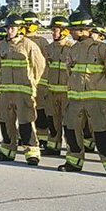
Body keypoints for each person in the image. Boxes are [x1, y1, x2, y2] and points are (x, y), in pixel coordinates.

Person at [61, 11, 106, 176]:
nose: (70, 32)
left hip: (98, 101)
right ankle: (73, 162)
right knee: (71, 131)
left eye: (73, 29)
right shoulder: (73, 50)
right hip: (75, 101)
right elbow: (70, 72)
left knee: (103, 132)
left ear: (82, 29)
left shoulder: (101, 48)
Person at [0, 15, 47, 165]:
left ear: (20, 29)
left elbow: (39, 66)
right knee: (6, 121)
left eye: (12, 28)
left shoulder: (29, 45)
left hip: (23, 93)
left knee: (26, 122)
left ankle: (32, 153)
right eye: (8, 28)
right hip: (6, 92)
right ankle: (7, 150)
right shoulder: (3, 45)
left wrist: (31, 84)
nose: (9, 31)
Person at [21, 11, 54, 142]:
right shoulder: (18, 42)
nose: (29, 26)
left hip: (40, 83)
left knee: (40, 111)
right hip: (22, 83)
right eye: (27, 24)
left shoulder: (42, 42)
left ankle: (43, 138)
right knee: (24, 112)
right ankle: (24, 137)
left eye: (31, 24)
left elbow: (44, 64)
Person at [42, 16, 71, 156]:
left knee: (69, 123)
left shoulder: (73, 49)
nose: (53, 33)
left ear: (65, 31)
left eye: (55, 30)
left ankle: (72, 149)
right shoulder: (49, 48)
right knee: (52, 120)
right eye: (52, 30)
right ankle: (53, 146)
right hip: (52, 92)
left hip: (67, 93)